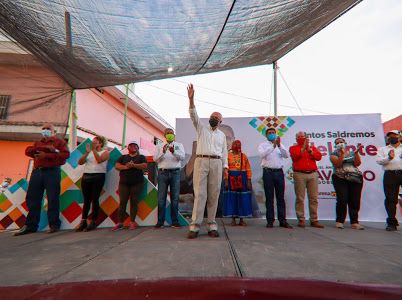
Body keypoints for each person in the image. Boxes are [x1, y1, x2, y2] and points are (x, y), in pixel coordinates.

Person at [187, 83, 228, 239]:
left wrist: (225, 167)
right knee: (200, 194)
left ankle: (211, 224)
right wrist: (191, 99)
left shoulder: (222, 136)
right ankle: (195, 226)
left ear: (220, 122)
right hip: (201, 161)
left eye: (216, 118)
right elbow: (193, 114)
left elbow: (224, 152)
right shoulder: (201, 128)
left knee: (214, 194)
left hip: (217, 163)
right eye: (212, 116)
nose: (213, 118)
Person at [14, 123, 70, 236]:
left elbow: (65, 155)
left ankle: (54, 224)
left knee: (52, 198)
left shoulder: (60, 142)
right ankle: (31, 226)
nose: (45, 130)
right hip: (37, 172)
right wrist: (45, 149)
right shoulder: (38, 142)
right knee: (32, 198)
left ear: (54, 131)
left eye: (48, 129)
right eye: (43, 129)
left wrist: (47, 155)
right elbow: (28, 151)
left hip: (52, 172)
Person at [258, 128, 292, 229]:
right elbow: (262, 155)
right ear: (266, 135)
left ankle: (282, 221)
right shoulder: (262, 145)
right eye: (270, 133)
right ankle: (270, 220)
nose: (272, 134)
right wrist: (273, 146)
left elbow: (286, 155)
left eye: (273, 133)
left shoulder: (280, 145)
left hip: (279, 173)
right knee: (269, 197)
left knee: (280, 198)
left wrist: (279, 145)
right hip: (268, 172)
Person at [289, 131, 324, 228]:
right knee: (300, 198)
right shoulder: (293, 148)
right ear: (296, 139)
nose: (301, 138)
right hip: (300, 174)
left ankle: (314, 220)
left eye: (303, 137)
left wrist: (310, 151)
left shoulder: (312, 147)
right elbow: (295, 158)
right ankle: (301, 219)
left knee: (313, 198)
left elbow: (319, 157)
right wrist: (303, 148)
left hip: (312, 174)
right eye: (299, 137)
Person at [76, 136, 110, 232]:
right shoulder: (89, 153)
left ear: (101, 144)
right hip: (86, 176)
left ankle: (94, 221)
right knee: (86, 199)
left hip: (98, 176)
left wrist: (94, 150)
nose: (93, 144)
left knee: (95, 199)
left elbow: (99, 160)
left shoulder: (105, 152)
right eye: (93, 142)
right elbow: (80, 162)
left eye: (96, 142)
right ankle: (83, 221)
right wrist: (87, 152)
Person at [153, 128, 185, 228]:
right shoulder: (159, 146)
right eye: (167, 133)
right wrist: (162, 152)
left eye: (171, 133)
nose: (169, 135)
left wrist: (174, 152)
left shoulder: (179, 145)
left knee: (175, 198)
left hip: (175, 173)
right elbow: (155, 159)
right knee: (161, 198)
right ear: (164, 135)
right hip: (163, 173)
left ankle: (175, 221)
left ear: (174, 135)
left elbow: (182, 157)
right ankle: (160, 222)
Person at [330, 138, 364, 230]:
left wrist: (356, 153)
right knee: (342, 199)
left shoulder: (352, 152)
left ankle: (354, 222)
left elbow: (357, 163)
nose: (340, 144)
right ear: (335, 145)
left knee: (355, 200)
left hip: (355, 178)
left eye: (341, 142)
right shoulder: (333, 154)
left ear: (345, 143)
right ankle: (340, 221)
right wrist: (341, 154)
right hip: (340, 178)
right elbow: (337, 164)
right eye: (337, 143)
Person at [113, 141, 147, 231]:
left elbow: (144, 165)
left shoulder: (141, 157)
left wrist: (134, 165)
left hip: (137, 183)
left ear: (138, 148)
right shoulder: (123, 157)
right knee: (122, 202)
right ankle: (120, 223)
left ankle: (132, 222)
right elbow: (117, 166)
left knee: (134, 202)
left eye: (135, 145)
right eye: (131, 145)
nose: (133, 147)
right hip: (124, 183)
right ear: (128, 148)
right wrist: (127, 167)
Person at [376, 130, 402, 231]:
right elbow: (379, 161)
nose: (392, 137)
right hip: (390, 174)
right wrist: (389, 158)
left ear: (399, 137)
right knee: (390, 199)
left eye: (394, 136)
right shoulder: (383, 149)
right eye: (390, 136)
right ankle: (391, 223)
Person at [223, 140, 252, 226]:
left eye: (238, 144)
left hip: (242, 179)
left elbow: (248, 169)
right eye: (235, 144)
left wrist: (249, 181)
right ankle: (233, 219)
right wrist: (226, 180)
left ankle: (241, 220)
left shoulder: (244, 156)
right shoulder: (228, 156)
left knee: (242, 199)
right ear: (232, 146)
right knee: (232, 198)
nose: (237, 146)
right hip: (231, 178)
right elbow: (225, 169)